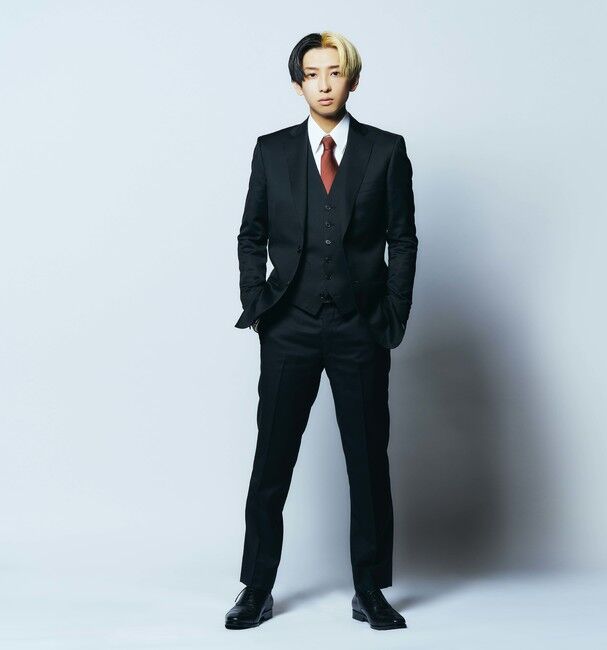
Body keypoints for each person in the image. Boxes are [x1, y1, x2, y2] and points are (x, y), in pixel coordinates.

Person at [225, 31, 417, 631]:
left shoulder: (386, 150)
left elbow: (403, 238)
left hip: (361, 327)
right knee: (272, 460)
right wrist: (258, 303)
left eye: (335, 72)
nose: (325, 84)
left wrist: (393, 312)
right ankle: (256, 588)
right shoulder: (272, 151)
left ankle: (370, 589)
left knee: (368, 461)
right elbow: (251, 233)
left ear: (352, 79)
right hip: (290, 326)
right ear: (298, 84)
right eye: (313, 74)